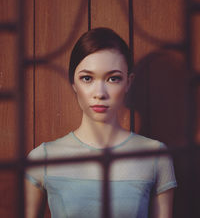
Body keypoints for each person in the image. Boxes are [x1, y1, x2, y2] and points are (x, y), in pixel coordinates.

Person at [25, 27, 177, 218]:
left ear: (128, 82)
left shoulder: (154, 156)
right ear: (73, 82)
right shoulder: (43, 158)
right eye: (87, 78)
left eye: (113, 78)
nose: (100, 93)